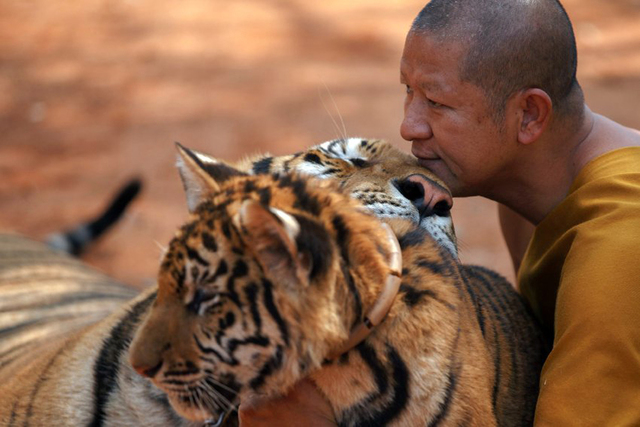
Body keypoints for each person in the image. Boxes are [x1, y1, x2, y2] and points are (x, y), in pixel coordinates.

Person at [239, 0, 640, 425]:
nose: (409, 126)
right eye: (408, 91)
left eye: (436, 102)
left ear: (528, 115)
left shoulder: (616, 252)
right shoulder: (530, 193)